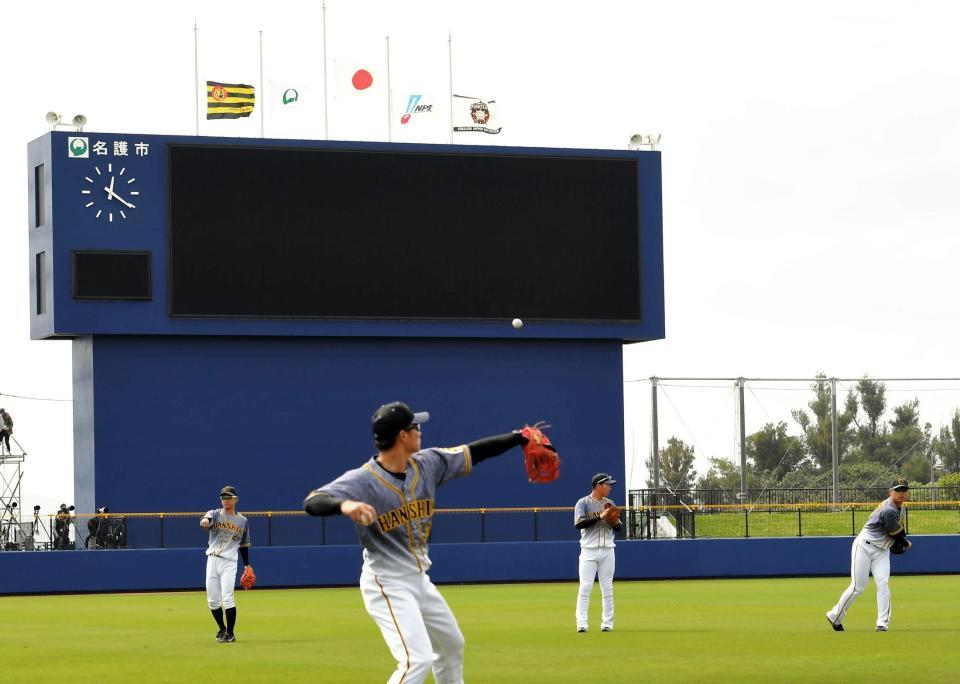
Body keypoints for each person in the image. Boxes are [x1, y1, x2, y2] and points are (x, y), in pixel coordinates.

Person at [303, 401, 535, 684]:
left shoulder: (428, 463)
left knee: (451, 645)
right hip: (386, 582)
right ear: (403, 435)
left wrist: (517, 437)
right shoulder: (364, 479)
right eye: (415, 426)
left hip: (418, 580)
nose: (420, 430)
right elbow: (313, 501)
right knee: (416, 659)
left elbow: (473, 451)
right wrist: (345, 505)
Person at [826, 478, 912, 632]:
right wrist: (905, 543)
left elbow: (895, 533)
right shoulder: (888, 509)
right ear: (890, 492)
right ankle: (835, 616)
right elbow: (898, 534)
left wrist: (898, 542)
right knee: (857, 587)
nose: (901, 493)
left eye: (904, 490)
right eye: (897, 490)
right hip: (864, 547)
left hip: (882, 551)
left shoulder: (901, 508)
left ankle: (882, 623)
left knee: (883, 584)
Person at [200, 485, 252, 643]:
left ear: (236, 499)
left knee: (227, 598)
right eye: (223, 498)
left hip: (229, 562)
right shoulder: (214, 513)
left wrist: (247, 565)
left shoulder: (243, 521)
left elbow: (244, 545)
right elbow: (205, 520)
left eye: (228, 498)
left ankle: (230, 633)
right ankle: (222, 628)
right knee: (213, 600)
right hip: (212, 560)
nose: (225, 500)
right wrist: (204, 521)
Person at [574, 473, 621, 633]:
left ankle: (607, 623)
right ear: (599, 485)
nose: (610, 487)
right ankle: (582, 623)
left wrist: (613, 521)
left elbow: (618, 527)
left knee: (607, 588)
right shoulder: (583, 503)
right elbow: (579, 524)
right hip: (588, 550)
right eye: (608, 484)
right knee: (585, 587)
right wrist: (600, 517)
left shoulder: (610, 503)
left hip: (608, 549)